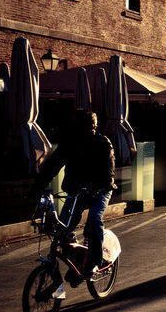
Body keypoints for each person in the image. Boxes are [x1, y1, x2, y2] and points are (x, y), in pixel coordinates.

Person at [32, 110, 116, 294]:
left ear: (93, 127)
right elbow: (52, 166)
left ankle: (94, 261)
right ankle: (78, 260)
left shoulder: (103, 144)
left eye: (89, 128)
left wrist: (98, 186)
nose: (86, 132)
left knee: (94, 219)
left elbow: (109, 174)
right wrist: (37, 186)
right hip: (77, 190)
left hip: (100, 191)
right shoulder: (69, 144)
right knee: (62, 230)